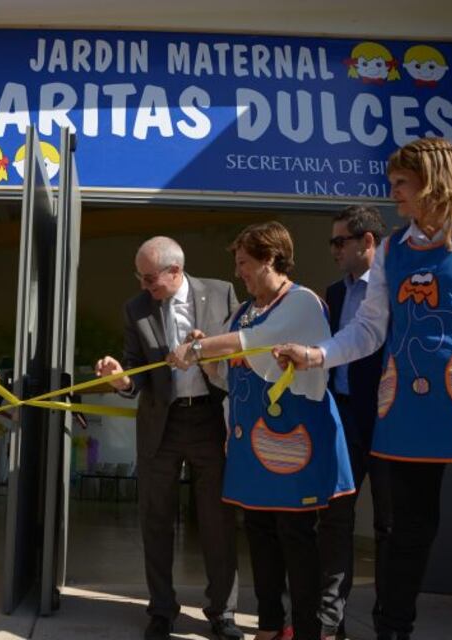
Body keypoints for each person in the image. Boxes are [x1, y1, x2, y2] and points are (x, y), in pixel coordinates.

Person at [273, 137, 452, 640]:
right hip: (406, 408)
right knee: (406, 533)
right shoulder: (393, 249)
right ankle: (393, 632)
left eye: (401, 184)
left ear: (434, 181)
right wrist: (317, 355)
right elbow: (368, 329)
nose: (395, 196)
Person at [168, 222, 355, 640]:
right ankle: (270, 626)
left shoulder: (302, 303)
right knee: (260, 535)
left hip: (294, 443)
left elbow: (246, 344)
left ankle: (307, 630)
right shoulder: (243, 311)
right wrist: (206, 354)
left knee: (296, 536)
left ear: (270, 259)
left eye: (245, 264)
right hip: (252, 447)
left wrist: (200, 347)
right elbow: (226, 377)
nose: (240, 274)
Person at [94, 236, 242, 640]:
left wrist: (207, 351)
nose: (145, 287)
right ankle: (161, 609)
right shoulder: (136, 308)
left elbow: (240, 356)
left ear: (175, 271)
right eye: (140, 278)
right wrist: (121, 378)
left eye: (150, 279)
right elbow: (136, 370)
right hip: (162, 424)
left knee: (217, 520)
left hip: (211, 420)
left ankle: (222, 611)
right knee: (155, 519)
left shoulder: (221, 293)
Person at [318, 206, 392, 639]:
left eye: (339, 241)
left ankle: (389, 619)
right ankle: (331, 623)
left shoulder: (396, 287)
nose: (333, 250)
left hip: (385, 418)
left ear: (367, 243)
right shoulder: (334, 292)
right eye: (331, 241)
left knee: (389, 524)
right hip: (342, 415)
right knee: (334, 518)